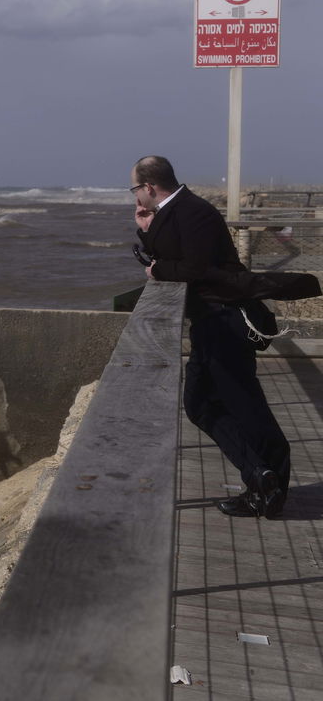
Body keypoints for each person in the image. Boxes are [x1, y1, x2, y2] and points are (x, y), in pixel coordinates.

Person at [131, 155, 289, 519]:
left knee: (246, 407)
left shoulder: (194, 210)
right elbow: (176, 253)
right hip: (210, 323)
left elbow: (195, 267)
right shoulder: (177, 210)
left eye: (135, 188)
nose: (136, 195)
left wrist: (158, 270)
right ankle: (261, 476)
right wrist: (145, 230)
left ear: (149, 187)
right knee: (200, 404)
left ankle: (270, 483)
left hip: (226, 321)